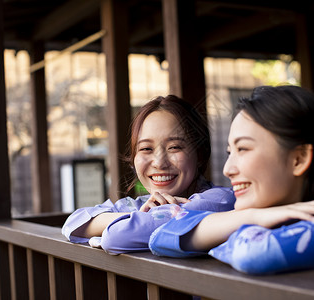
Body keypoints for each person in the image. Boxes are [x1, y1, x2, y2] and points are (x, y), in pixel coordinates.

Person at [149, 85, 314, 279]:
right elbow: (160, 237)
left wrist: (239, 224)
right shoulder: (271, 207)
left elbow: (254, 252)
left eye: (243, 149)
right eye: (229, 152)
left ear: (299, 159)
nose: (228, 169)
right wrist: (256, 216)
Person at [62, 95, 235, 253]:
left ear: (200, 154)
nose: (159, 162)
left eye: (174, 147)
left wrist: (125, 223)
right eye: (146, 149)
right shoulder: (141, 206)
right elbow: (73, 223)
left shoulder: (220, 201)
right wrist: (137, 216)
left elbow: (117, 237)